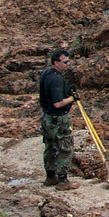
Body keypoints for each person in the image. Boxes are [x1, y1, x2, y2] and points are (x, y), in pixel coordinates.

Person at [39, 49, 78, 190]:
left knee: (49, 146)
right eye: (65, 62)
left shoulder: (46, 74)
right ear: (56, 63)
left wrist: (68, 90)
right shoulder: (56, 79)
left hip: (46, 118)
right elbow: (58, 103)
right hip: (58, 120)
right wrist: (72, 98)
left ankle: (50, 177)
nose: (68, 64)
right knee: (65, 148)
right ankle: (63, 181)